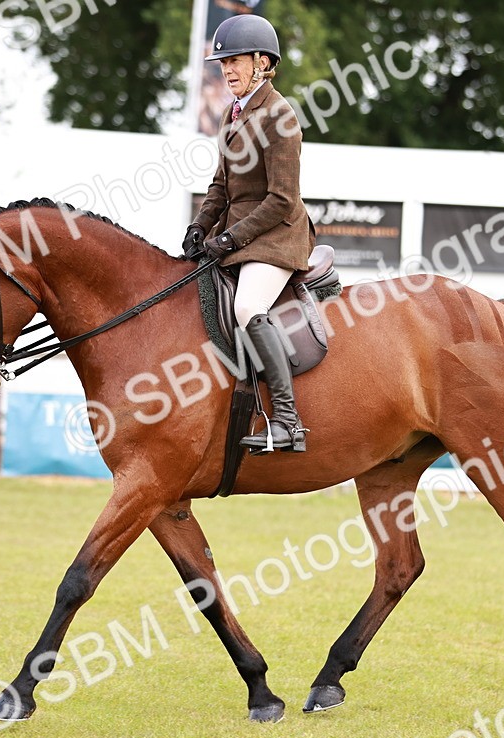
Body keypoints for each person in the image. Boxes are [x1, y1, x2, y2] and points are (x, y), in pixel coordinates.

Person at [182, 14, 317, 454]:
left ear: (262, 62)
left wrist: (230, 238)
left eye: (234, 61)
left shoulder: (280, 116)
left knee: (247, 306)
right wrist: (200, 226)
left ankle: (288, 422)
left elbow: (282, 200)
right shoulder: (232, 113)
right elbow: (220, 186)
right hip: (240, 234)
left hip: (277, 236)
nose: (227, 71)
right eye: (223, 63)